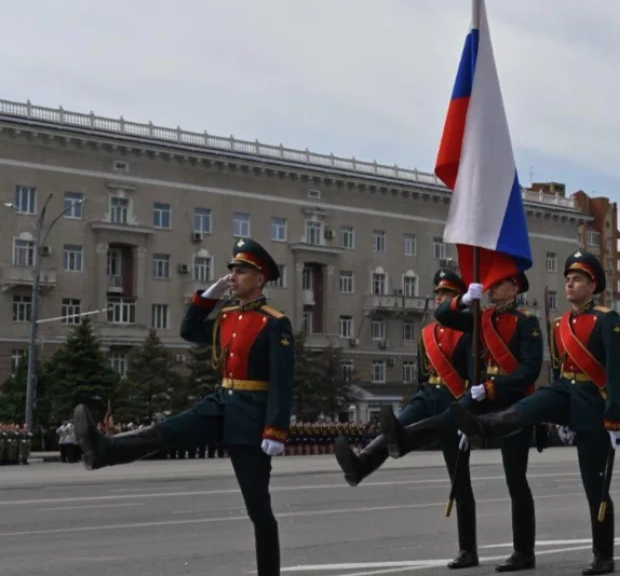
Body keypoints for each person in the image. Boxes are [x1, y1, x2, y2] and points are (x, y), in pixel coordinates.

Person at [72, 237, 294, 576]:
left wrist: (275, 429)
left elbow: (282, 380)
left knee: (258, 510)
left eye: (241, 271)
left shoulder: (275, 322)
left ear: (260, 278)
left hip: (252, 415)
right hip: (222, 402)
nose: (232, 276)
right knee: (166, 432)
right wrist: (208, 298)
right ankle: (105, 451)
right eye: (231, 270)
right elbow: (190, 330)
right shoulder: (228, 316)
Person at [450, 251, 620, 576]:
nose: (570, 284)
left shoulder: (607, 320)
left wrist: (616, 415)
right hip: (564, 392)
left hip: (592, 404)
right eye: (568, 279)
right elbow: (560, 371)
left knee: (595, 485)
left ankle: (603, 555)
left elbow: (618, 373)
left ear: (593, 285)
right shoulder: (559, 324)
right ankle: (485, 426)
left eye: (577, 279)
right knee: (527, 406)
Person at [333, 269, 479, 568]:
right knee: (394, 427)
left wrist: (469, 415)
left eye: (447, 294)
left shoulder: (468, 331)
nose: (440, 298)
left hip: (453, 401)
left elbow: (473, 375)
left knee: (459, 479)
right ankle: (361, 464)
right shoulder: (426, 334)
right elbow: (424, 374)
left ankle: (468, 550)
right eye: (437, 294)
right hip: (426, 396)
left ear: (458, 299)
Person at [422, 270, 543, 572]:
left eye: (498, 283)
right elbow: (443, 317)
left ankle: (524, 552)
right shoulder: (483, 318)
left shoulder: (526, 321)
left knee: (515, 478)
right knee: (447, 419)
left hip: (513, 402)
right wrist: (463, 299)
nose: (491, 288)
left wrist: (494, 387)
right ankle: (398, 439)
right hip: (484, 397)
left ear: (514, 288)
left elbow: (529, 371)